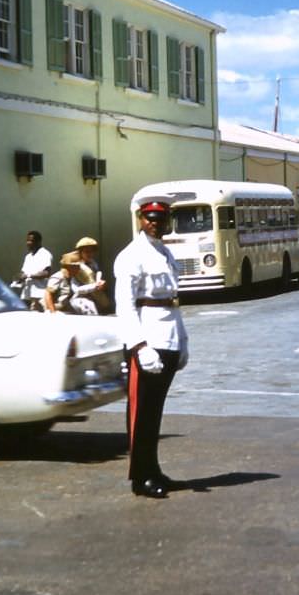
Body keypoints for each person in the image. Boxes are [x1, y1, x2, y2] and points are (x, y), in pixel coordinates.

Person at [114, 194, 189, 499]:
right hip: (148, 340)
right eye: (150, 219)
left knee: (155, 412)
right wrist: (140, 346)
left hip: (168, 336)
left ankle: (153, 468)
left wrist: (182, 340)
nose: (156, 225)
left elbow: (172, 302)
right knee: (141, 413)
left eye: (161, 220)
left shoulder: (165, 253)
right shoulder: (132, 255)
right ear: (141, 221)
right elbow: (125, 305)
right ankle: (140, 477)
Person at [14, 230, 52, 311]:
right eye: (27, 240)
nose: (28, 243)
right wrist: (19, 278)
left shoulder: (45, 254)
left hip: (39, 295)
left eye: (31, 241)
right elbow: (24, 272)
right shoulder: (28, 257)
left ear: (38, 242)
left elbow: (46, 273)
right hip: (27, 294)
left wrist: (28, 275)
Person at [73, 236, 110, 314]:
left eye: (92, 251)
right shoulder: (75, 267)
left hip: (96, 299)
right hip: (81, 300)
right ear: (80, 252)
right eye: (86, 251)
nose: (90, 254)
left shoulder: (94, 264)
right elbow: (76, 289)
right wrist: (94, 286)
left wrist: (102, 285)